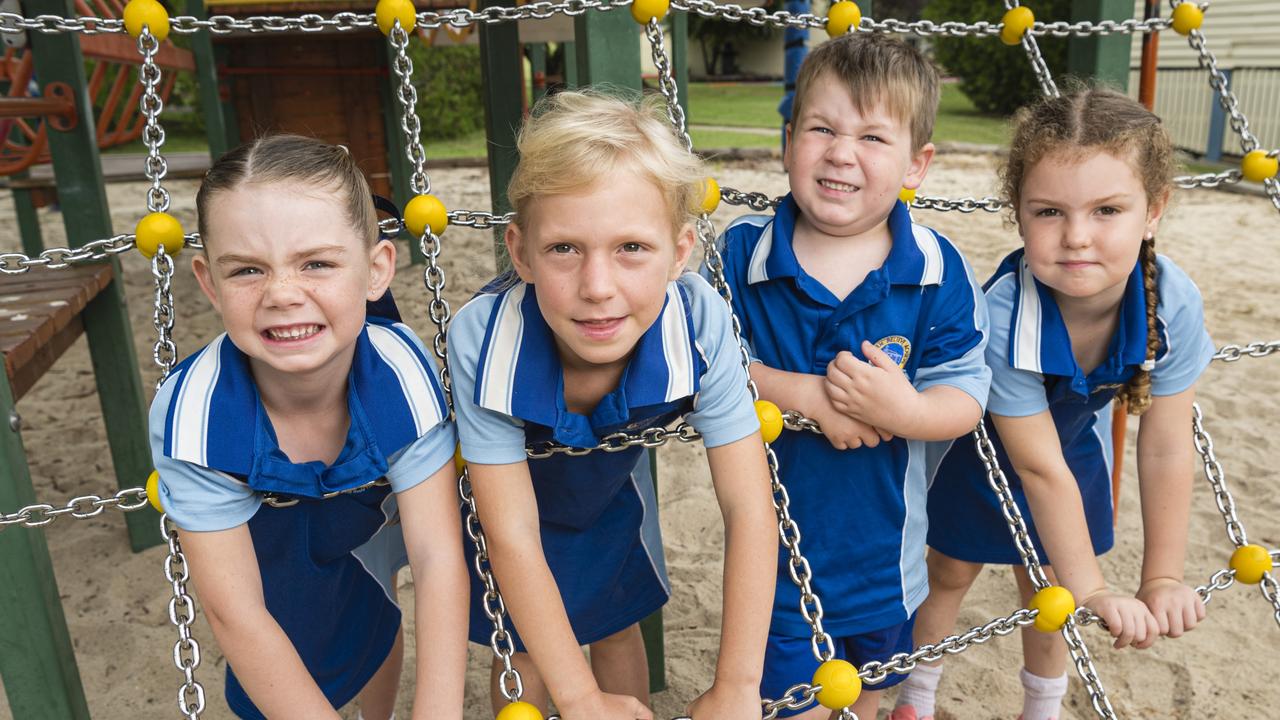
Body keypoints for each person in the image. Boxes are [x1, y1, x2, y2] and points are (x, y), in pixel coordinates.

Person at [448, 89, 778, 720]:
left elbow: (748, 504)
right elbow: (511, 532)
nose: (598, 288)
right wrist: (579, 699)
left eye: (632, 248)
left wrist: (737, 684)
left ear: (681, 253)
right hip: (512, 497)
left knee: (618, 620)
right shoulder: (485, 340)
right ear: (520, 252)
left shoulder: (699, 318)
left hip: (603, 490)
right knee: (520, 651)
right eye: (564, 249)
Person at [893, 87, 1213, 720]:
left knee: (1047, 588)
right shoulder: (1006, 315)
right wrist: (1093, 589)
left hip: (1070, 449)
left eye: (1107, 210)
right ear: (1017, 214)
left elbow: (1168, 445)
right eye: (1048, 212)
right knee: (950, 573)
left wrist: (1162, 577)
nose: (1077, 238)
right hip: (979, 452)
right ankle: (915, 697)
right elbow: (1034, 469)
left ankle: (1041, 708)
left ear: (1154, 211)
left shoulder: (1170, 301)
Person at [712, 32, 991, 720]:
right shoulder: (742, 254)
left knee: (864, 699)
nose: (841, 152)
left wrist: (906, 412)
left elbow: (967, 394)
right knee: (793, 705)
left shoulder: (934, 267)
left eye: (872, 137)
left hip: (886, 565)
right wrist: (799, 392)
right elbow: (699, 366)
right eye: (821, 128)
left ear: (915, 165)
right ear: (788, 142)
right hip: (772, 567)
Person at [148, 135, 468, 720]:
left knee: (373, 614)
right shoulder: (196, 418)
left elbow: (437, 555)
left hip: (359, 514)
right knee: (281, 648)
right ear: (208, 283)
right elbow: (236, 615)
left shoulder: (399, 368)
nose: (282, 295)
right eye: (247, 270)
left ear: (376, 271)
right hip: (261, 543)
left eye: (316, 263)